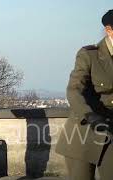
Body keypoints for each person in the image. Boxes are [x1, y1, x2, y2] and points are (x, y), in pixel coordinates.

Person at [56, 10, 113, 180]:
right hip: (84, 131)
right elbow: (73, 90)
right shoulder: (89, 55)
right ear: (109, 30)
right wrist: (90, 115)